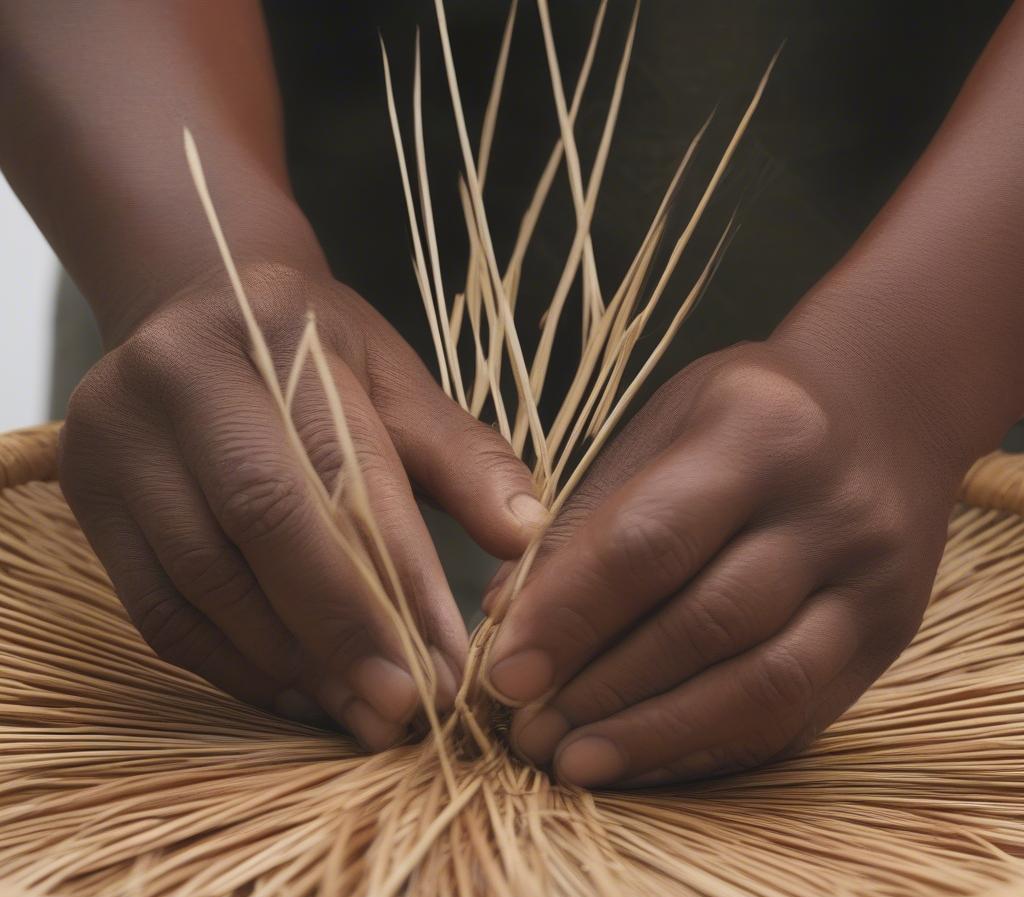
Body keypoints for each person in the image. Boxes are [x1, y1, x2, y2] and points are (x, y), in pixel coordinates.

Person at [1, 1, 1022, 788]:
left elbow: (920, 367)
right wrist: (192, 252)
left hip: (958, 268)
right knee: (247, 481)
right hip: (191, 266)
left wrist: (916, 367)